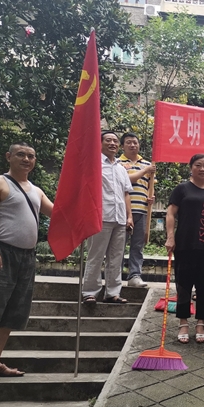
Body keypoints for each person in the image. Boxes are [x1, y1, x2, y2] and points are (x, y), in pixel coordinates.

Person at [0, 143, 53, 383]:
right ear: (9, 157)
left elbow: (57, 213)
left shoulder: (36, 191)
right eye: (21, 155)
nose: (26, 159)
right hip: (2, 253)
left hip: (27, 257)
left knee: (14, 309)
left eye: (31, 156)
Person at [166, 154, 204, 343]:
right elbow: (170, 213)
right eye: (198, 165)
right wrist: (170, 237)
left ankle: (201, 322)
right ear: (191, 167)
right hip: (184, 244)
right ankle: (183, 322)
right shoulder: (182, 189)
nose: (202, 169)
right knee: (183, 284)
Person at [82, 131, 134, 305]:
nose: (112, 143)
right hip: (100, 217)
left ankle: (112, 293)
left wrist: (129, 216)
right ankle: (90, 292)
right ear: (100, 143)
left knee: (116, 257)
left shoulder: (121, 168)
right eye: (108, 140)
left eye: (115, 141)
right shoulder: (93, 165)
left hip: (120, 218)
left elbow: (126, 193)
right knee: (96, 255)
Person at [119, 132, 156, 288]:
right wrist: (146, 170)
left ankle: (135, 276)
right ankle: (115, 277)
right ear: (122, 146)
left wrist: (151, 197)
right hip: (122, 211)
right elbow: (126, 180)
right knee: (118, 246)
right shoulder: (118, 163)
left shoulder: (146, 164)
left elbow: (150, 186)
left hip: (141, 210)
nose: (132, 145)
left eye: (135, 142)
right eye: (128, 142)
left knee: (137, 246)